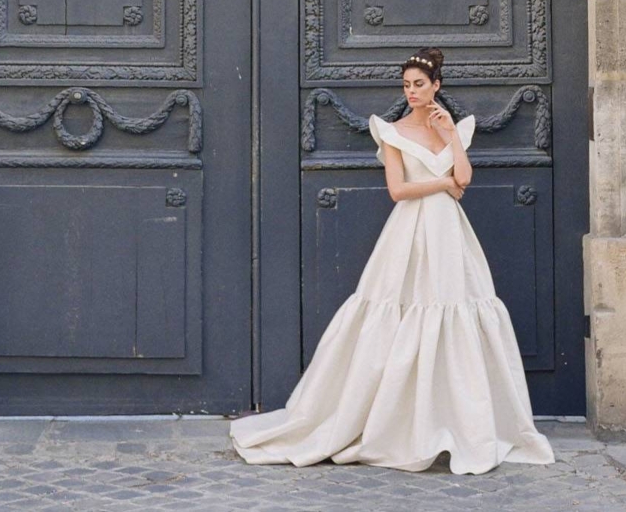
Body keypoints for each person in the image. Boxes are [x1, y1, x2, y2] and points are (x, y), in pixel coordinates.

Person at [229, 47, 555, 474]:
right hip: (409, 232)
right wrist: (441, 182)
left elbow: (466, 179)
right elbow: (399, 191)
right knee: (396, 311)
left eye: (419, 84)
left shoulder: (451, 128)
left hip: (449, 234)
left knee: (453, 308)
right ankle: (388, 423)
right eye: (406, 85)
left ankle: (452, 422)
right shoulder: (393, 131)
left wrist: (452, 138)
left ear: (437, 85)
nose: (412, 92)